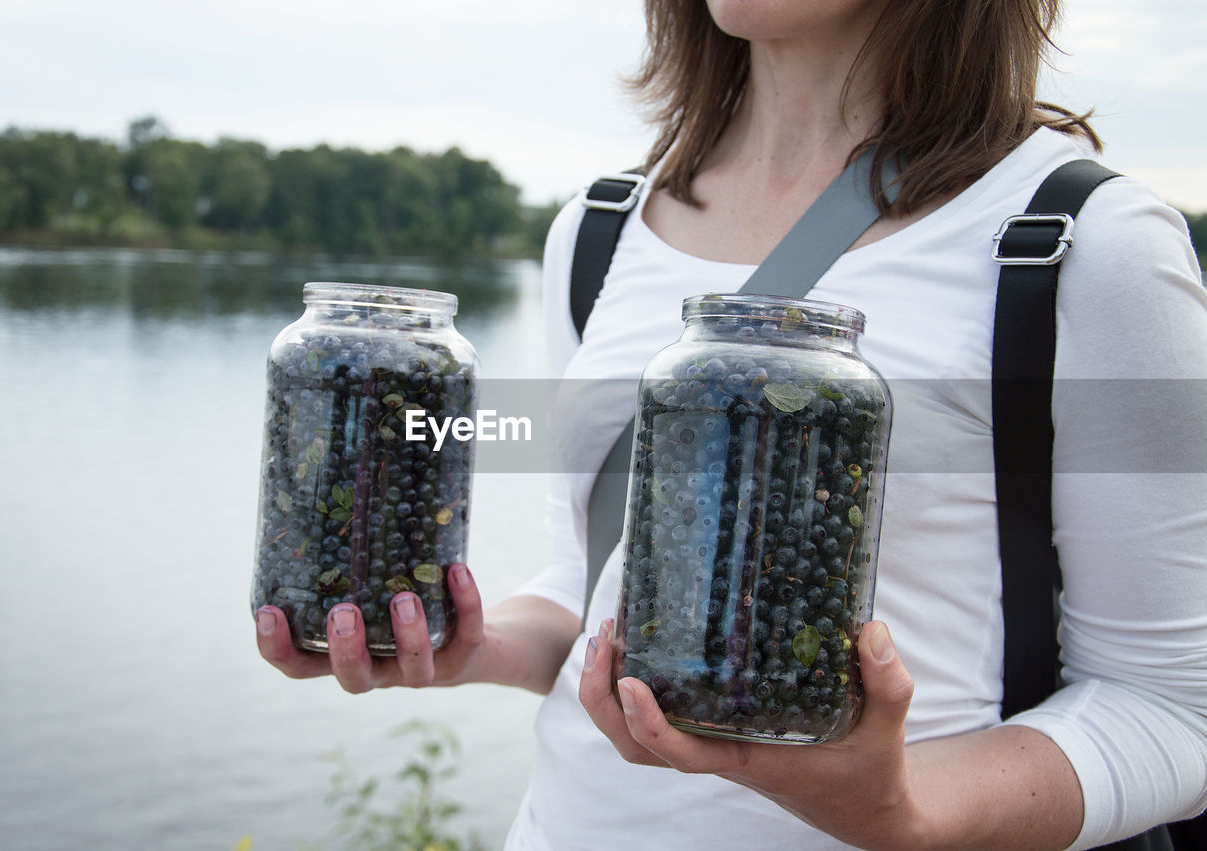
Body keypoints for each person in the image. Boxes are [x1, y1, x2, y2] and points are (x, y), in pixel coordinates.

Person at [256, 1, 1207, 848]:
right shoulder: (599, 230)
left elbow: (1171, 707)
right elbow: (592, 583)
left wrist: (904, 813)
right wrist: (475, 641)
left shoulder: (1082, 243)